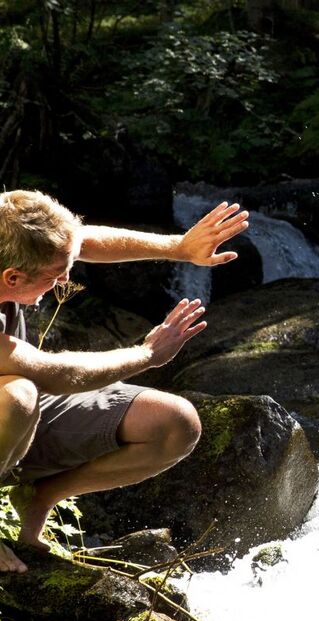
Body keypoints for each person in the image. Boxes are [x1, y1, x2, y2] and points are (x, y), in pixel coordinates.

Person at [0, 189, 249, 573]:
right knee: (18, 394)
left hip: (24, 417)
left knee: (174, 423)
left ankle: (40, 496)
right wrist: (147, 355)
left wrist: (180, 247)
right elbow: (58, 375)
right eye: (55, 275)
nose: (66, 279)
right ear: (12, 277)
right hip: (17, 402)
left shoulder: (13, 234)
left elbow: (83, 240)